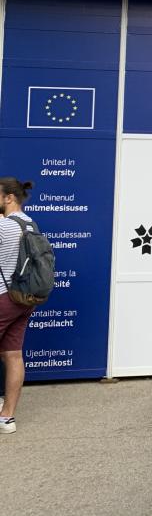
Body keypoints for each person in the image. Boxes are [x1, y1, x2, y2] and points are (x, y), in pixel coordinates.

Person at [0, 178, 40, 435]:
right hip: (24, 299)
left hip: (3, 297)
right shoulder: (30, 223)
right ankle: (7, 418)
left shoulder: (4, 226)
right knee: (13, 355)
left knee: (11, 356)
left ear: (9, 198)